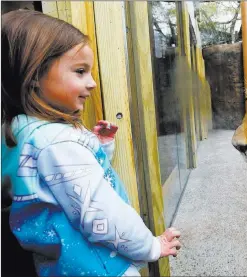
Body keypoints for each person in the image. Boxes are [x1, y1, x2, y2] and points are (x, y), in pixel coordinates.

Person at [1, 10, 181, 276]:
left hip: (60, 266)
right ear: (35, 75)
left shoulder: (16, 133)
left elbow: (58, 182)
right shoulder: (56, 144)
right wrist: (151, 246)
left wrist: (99, 144)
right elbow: (102, 215)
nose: (93, 83)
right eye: (80, 71)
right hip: (102, 267)